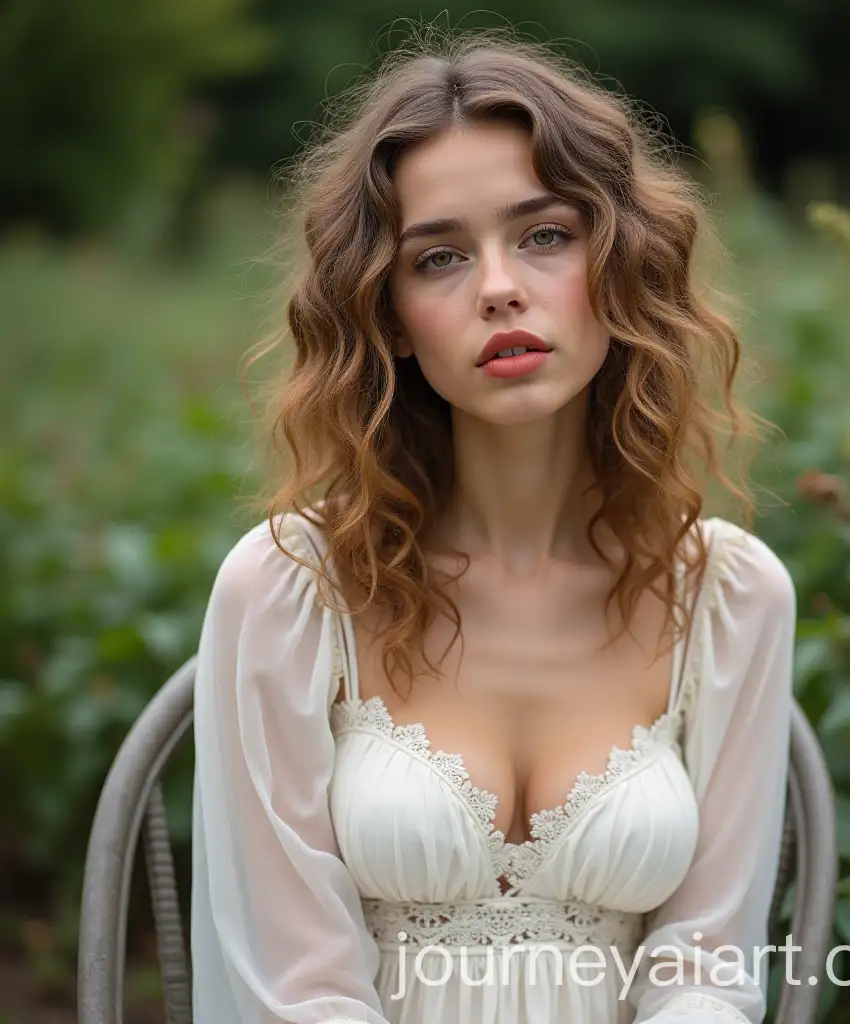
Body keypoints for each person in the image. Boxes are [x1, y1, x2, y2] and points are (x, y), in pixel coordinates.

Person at [189, 26, 797, 1024]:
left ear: (620, 261)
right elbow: (297, 994)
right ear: (385, 314)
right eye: (438, 257)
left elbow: (705, 971)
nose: (498, 285)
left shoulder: (728, 597)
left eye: (544, 235)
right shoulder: (289, 589)